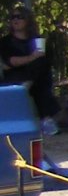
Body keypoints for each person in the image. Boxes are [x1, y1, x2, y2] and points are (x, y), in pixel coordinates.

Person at [1, 7, 58, 136]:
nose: (16, 20)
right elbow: (10, 62)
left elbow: (47, 62)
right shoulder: (6, 42)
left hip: (33, 81)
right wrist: (32, 57)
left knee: (41, 66)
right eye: (13, 17)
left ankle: (29, 82)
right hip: (14, 78)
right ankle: (46, 118)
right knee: (39, 68)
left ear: (28, 20)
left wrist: (33, 60)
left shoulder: (37, 40)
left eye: (19, 17)